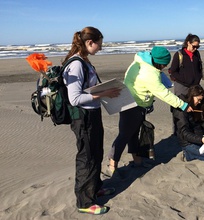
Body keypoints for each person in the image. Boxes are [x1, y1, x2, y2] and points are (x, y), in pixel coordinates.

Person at [107, 46, 193, 175]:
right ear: (159, 62)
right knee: (124, 135)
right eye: (163, 65)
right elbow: (163, 94)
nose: (163, 67)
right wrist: (183, 105)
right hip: (132, 105)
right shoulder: (149, 73)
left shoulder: (142, 61)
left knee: (134, 133)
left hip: (134, 103)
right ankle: (112, 165)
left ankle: (137, 160)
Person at [62, 26, 121, 215]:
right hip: (83, 118)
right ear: (89, 43)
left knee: (96, 153)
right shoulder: (76, 64)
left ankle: (94, 188)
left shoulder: (84, 61)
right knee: (86, 158)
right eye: (99, 44)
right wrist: (104, 93)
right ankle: (85, 202)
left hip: (92, 115)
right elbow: (75, 98)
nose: (101, 48)